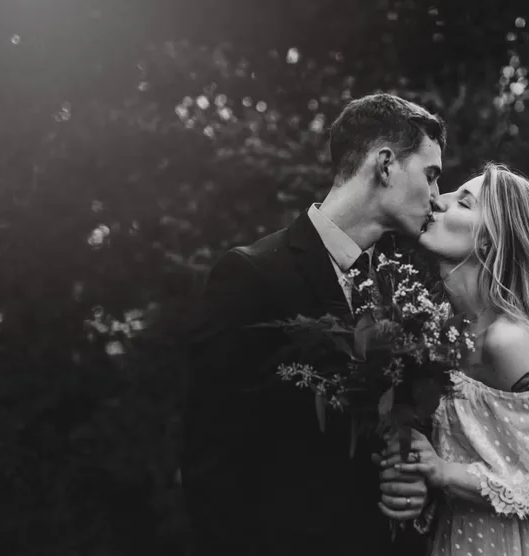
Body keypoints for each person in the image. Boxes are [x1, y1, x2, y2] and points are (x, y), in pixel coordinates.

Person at [182, 93, 446, 555]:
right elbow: (211, 461)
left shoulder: (400, 288)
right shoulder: (252, 275)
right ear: (385, 165)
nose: (437, 199)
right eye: (431, 176)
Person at [376, 163, 529, 555]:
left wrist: (442, 471)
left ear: (490, 242)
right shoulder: (443, 331)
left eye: (463, 203)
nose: (439, 199)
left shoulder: (508, 341)